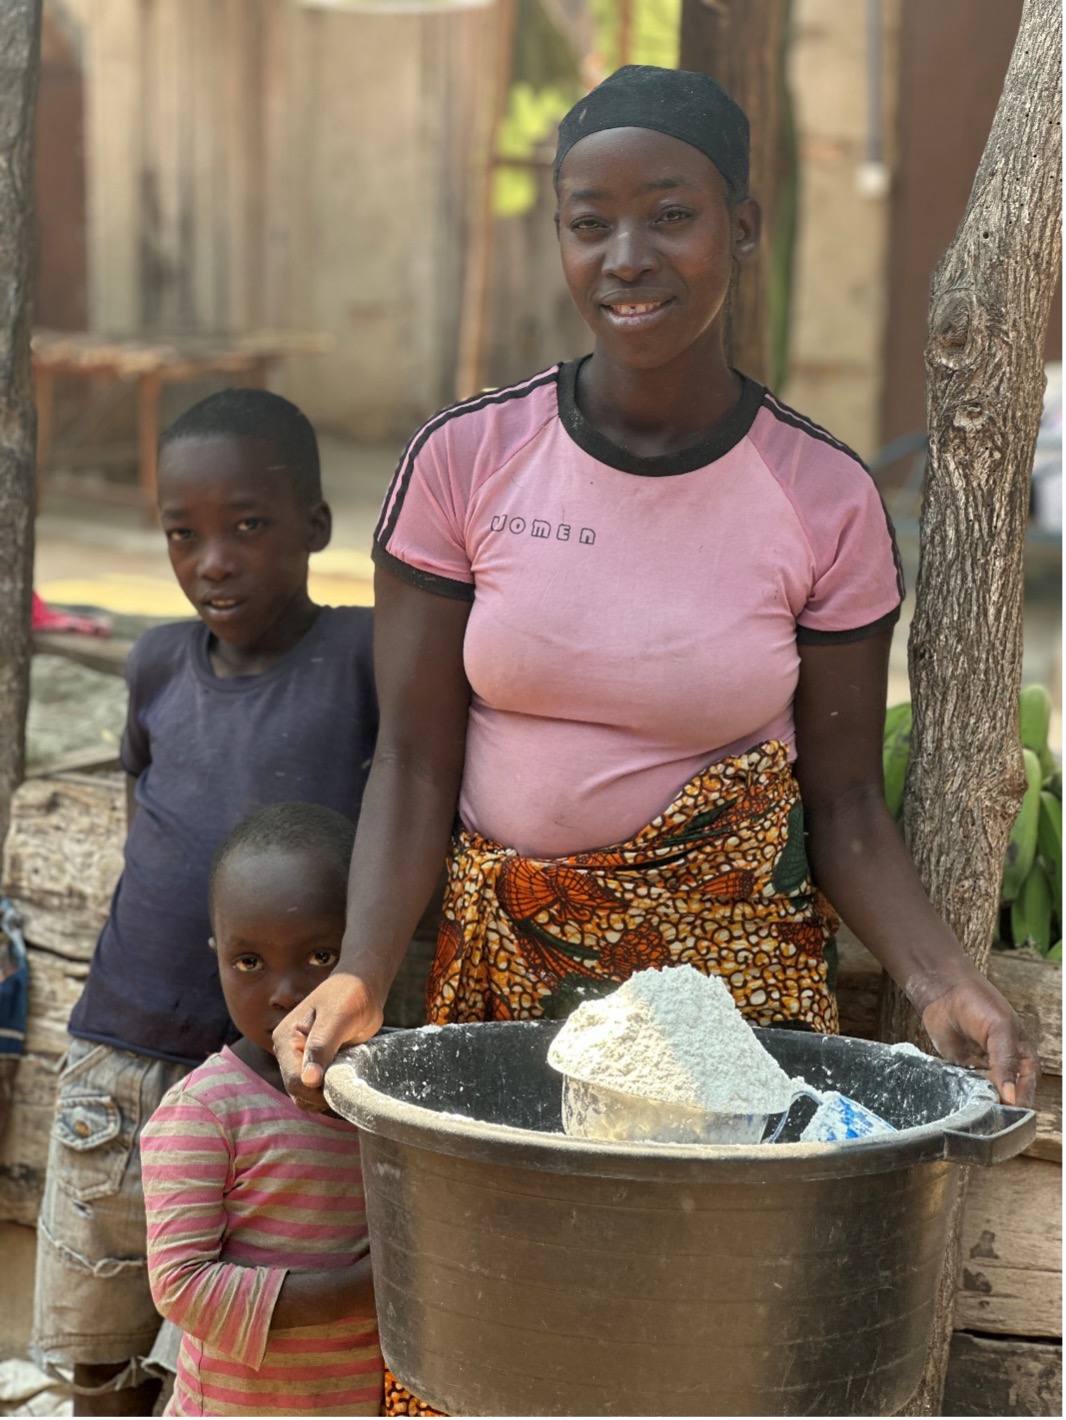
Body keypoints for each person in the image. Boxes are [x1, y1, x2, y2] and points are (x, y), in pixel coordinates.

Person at [275, 68, 1037, 1112]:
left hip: (730, 1001)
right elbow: (410, 760)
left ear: (742, 225)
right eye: (591, 224)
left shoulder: (822, 498)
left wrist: (944, 979)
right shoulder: (464, 460)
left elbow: (848, 798)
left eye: (670, 216)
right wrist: (362, 967)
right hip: (507, 994)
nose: (627, 258)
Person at [31, 389, 378, 1416]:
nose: (213, 560)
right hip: (123, 1054)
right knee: (98, 1351)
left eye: (249, 525)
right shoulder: (154, 663)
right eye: (184, 534)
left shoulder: (363, 657)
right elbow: (150, 807)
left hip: (274, 1078)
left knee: (235, 1349)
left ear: (315, 526)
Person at [140, 803, 383, 1417]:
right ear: (218, 955)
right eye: (249, 962)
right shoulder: (207, 1111)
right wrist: (371, 1290)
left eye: (322, 957)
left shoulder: (391, 1096)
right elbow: (181, 1286)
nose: (285, 991)